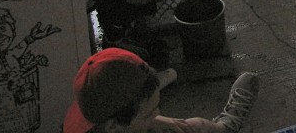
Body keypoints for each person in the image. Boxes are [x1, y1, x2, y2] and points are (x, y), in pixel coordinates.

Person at [64, 48, 258, 133]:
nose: (158, 114)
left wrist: (163, 121)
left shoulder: (94, 106)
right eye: (150, 112)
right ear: (113, 127)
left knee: (193, 125)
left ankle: (223, 129)